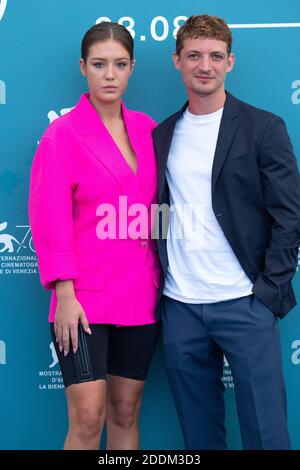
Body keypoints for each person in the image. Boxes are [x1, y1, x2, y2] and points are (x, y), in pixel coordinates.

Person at [152, 14, 300, 450]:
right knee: (198, 438)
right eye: (194, 55)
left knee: (267, 436)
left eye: (216, 56)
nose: (205, 65)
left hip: (244, 303)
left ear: (230, 62)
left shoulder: (263, 127)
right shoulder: (162, 134)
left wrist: (268, 293)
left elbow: (289, 215)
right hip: (181, 306)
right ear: (176, 60)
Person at [29, 22, 161, 450]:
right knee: (88, 417)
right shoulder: (62, 135)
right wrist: (64, 294)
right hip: (82, 298)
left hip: (140, 293)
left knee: (126, 411)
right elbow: (49, 219)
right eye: (100, 64)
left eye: (119, 65)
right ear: (82, 67)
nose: (110, 75)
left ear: (131, 68)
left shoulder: (148, 129)